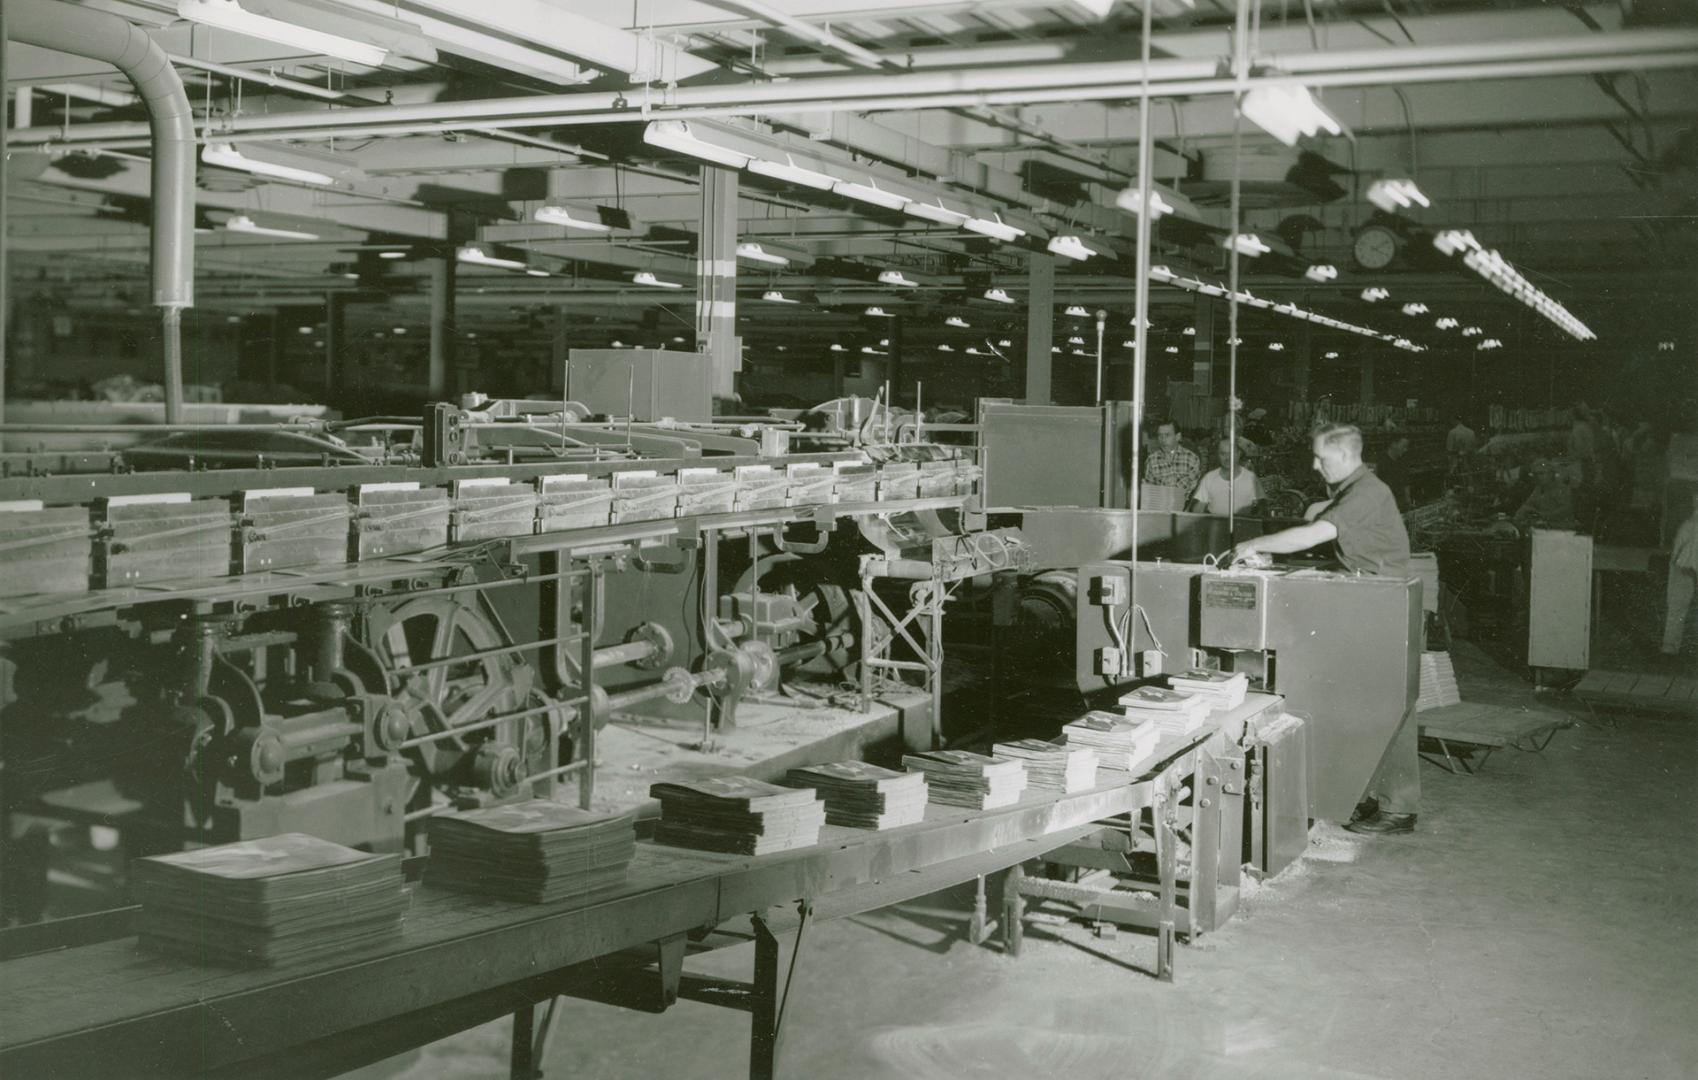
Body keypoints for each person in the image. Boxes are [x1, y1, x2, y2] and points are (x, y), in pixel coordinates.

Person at [1231, 423, 1417, 835]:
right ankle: (1363, 795)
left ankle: (1399, 809)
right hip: (1370, 598)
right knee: (1362, 702)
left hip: (1381, 603)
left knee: (1386, 705)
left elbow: (1317, 533)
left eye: (1321, 458)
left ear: (1347, 455)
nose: (1315, 466)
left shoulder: (1368, 492)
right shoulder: (1356, 489)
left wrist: (1255, 545)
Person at [1190, 437, 1261, 516]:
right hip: (1217, 525)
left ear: (1238, 454)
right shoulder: (1209, 478)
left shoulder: (1250, 478)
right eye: (1223, 454)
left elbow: (1260, 508)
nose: (1227, 458)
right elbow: (1197, 509)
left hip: (1242, 524)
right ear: (1218, 455)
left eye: (1231, 454)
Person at [1665, 501, 1698, 657]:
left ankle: (1670, 648)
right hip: (1684, 568)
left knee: (1677, 607)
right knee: (1677, 606)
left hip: (1685, 566)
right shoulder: (1689, 526)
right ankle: (1669, 648)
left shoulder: (1689, 525)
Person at [1144, 418, 1201, 494]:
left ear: (1178, 437)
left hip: (1186, 505)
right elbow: (1149, 493)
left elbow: (1195, 494)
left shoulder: (1191, 459)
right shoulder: (1151, 460)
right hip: (1160, 504)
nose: (1163, 440)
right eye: (1160, 435)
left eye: (1167, 435)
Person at [1373, 434, 1412, 512]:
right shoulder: (1380, 461)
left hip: (1401, 505)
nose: (1405, 450)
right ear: (1393, 444)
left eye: (1407, 447)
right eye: (1404, 446)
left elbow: (1406, 482)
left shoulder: (1403, 461)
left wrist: (1408, 499)